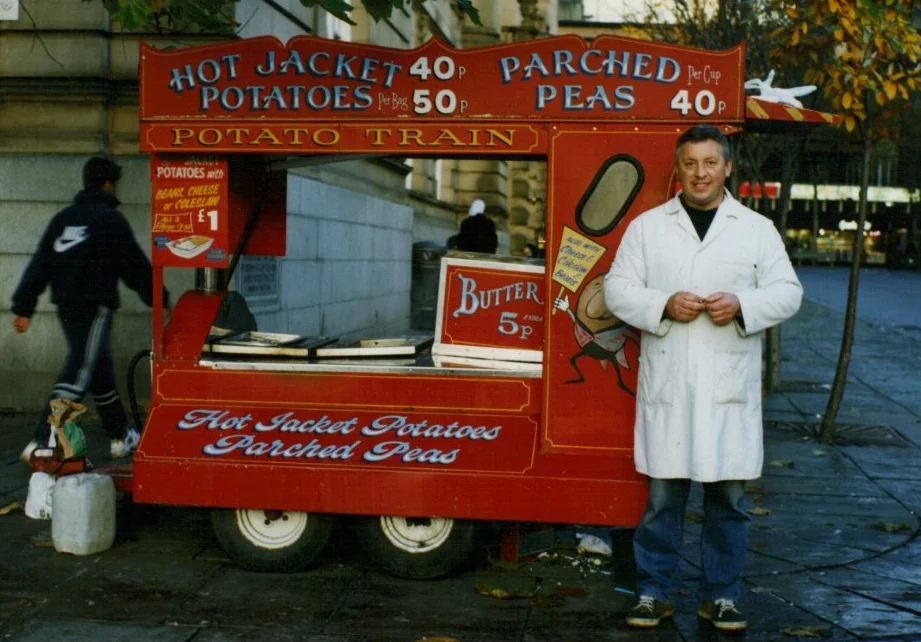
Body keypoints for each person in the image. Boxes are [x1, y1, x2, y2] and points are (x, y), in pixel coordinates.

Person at [603, 125, 802, 632]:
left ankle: (722, 596)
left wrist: (743, 305)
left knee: (729, 500)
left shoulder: (755, 228)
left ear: (727, 168)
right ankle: (653, 593)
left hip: (726, 387)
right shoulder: (648, 228)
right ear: (678, 168)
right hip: (670, 384)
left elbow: (788, 292)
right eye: (690, 163)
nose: (700, 173)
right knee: (662, 499)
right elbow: (617, 289)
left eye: (710, 163)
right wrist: (662, 303)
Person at [13, 156, 170, 463]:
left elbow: (40, 263)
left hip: (66, 305)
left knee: (99, 369)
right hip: (94, 305)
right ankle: (42, 439)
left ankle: (120, 436)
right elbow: (134, 266)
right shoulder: (110, 220)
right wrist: (159, 298)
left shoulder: (63, 219)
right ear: (108, 184)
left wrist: (24, 307)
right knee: (81, 369)